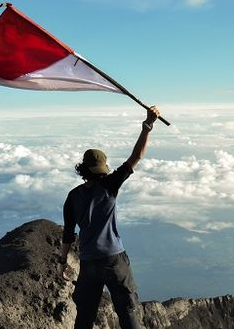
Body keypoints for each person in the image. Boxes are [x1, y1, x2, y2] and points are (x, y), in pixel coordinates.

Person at [59, 106, 161, 329]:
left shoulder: (73, 196)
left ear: (83, 169)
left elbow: (68, 234)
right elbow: (137, 156)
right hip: (114, 260)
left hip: (88, 262)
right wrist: (147, 126)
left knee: (85, 315)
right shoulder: (110, 185)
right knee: (128, 310)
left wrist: (62, 261)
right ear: (102, 168)